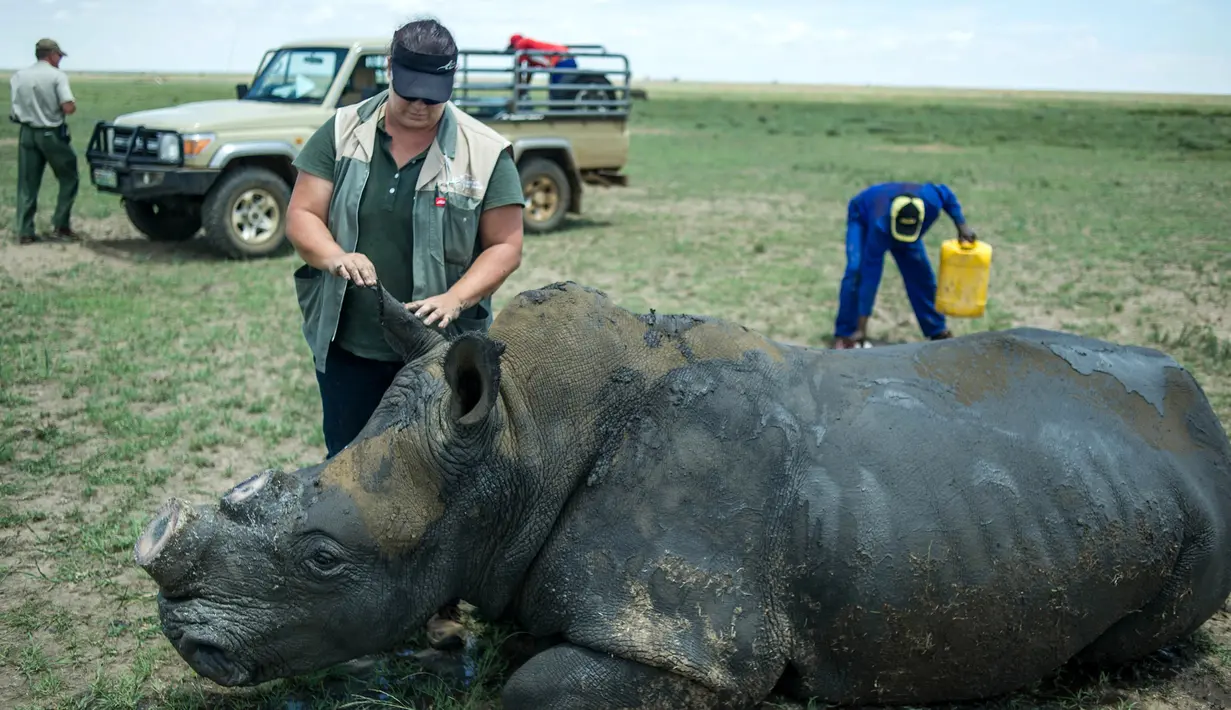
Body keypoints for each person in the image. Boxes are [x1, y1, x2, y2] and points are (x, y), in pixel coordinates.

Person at [286, 17, 525, 461]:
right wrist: (336, 256)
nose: (420, 105)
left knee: (441, 468)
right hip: (352, 346)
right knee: (349, 464)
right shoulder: (340, 133)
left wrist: (456, 297)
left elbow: (506, 245)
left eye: (433, 97)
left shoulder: (486, 150)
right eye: (409, 91)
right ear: (389, 67)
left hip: (441, 351)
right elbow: (302, 215)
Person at [831, 181, 977, 349]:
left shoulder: (931, 200)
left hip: (904, 227)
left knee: (921, 274)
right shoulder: (880, 226)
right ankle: (848, 334)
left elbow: (947, 194)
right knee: (856, 271)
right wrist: (862, 326)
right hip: (863, 216)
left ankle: (937, 331)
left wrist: (962, 225)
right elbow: (870, 277)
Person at [9, 38, 80, 245]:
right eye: (59, 56)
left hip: (27, 133)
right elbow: (68, 106)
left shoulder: (19, 76)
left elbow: (14, 109)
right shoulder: (57, 76)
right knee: (69, 177)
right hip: (51, 133)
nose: (60, 60)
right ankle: (61, 225)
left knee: (27, 183)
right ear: (51, 55)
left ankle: (24, 230)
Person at [506, 33, 577, 101]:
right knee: (563, 92)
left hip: (561, 62)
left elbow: (519, 69)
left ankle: (559, 111)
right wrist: (524, 88)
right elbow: (529, 72)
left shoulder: (522, 43)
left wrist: (519, 88)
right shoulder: (531, 53)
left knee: (558, 92)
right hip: (565, 61)